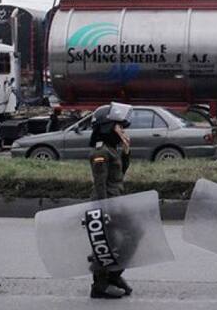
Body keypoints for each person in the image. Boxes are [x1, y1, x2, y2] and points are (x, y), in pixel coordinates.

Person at [87, 102, 135, 299]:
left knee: (133, 235)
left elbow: (119, 174)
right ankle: (100, 285)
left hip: (116, 201)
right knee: (105, 244)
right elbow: (100, 184)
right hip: (105, 203)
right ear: (107, 127)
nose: (122, 130)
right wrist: (103, 210)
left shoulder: (112, 149)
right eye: (119, 126)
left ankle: (114, 275)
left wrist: (126, 151)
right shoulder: (100, 153)